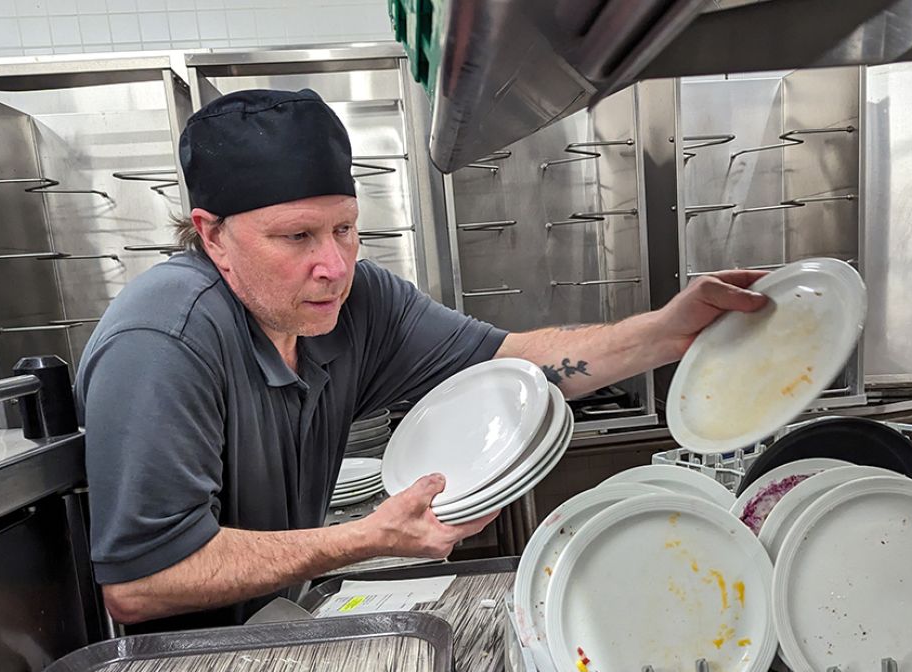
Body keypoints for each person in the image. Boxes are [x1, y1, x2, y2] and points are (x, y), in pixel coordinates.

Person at [75, 88, 768, 630]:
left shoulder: (354, 304)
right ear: (213, 236)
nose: (334, 264)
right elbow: (141, 582)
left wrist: (668, 333)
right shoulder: (165, 340)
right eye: (296, 236)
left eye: (345, 228)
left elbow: (517, 364)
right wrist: (361, 540)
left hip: (275, 625)